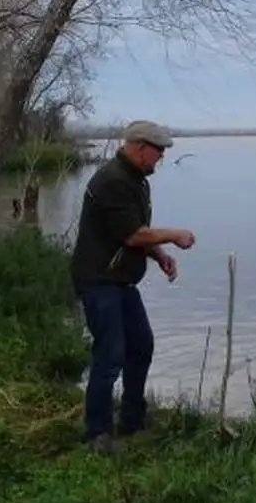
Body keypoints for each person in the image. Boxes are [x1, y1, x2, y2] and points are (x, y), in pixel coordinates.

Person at [70, 120, 197, 454]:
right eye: (159, 152)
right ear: (141, 147)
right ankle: (97, 434)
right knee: (110, 354)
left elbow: (137, 230)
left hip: (121, 280)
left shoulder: (135, 180)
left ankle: (132, 419)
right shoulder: (112, 181)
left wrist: (159, 255)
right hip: (99, 280)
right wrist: (174, 235)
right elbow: (131, 235)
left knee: (141, 345)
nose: (161, 159)